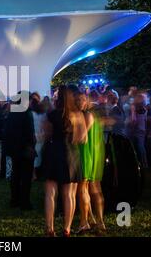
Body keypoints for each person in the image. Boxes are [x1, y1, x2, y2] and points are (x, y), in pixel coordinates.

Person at [41, 85, 84, 237]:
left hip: (53, 152)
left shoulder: (51, 114)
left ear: (58, 98)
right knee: (69, 195)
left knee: (50, 193)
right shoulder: (77, 115)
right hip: (71, 153)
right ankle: (66, 229)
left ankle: (49, 229)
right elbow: (82, 138)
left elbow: (46, 135)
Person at [76, 92, 106, 234]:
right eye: (77, 100)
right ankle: (92, 219)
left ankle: (97, 221)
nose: (79, 102)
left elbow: (82, 137)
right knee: (88, 189)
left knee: (92, 189)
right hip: (88, 154)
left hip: (87, 155)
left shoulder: (87, 115)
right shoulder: (86, 114)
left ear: (87, 101)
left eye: (82, 99)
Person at [4, 92, 36, 211]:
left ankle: (14, 200)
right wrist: (31, 145)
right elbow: (30, 133)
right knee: (26, 177)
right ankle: (25, 202)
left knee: (15, 175)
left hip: (14, 149)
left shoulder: (12, 113)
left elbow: (7, 132)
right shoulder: (27, 113)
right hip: (25, 149)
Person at [31, 99, 46, 180]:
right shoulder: (43, 114)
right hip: (42, 136)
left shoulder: (31, 114)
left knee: (34, 156)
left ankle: (34, 175)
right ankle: (39, 173)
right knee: (40, 155)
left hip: (35, 136)